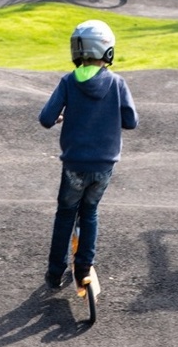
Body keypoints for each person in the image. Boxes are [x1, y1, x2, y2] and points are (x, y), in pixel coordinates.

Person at [39, 19, 139, 288]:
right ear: (107, 51)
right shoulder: (118, 84)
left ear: (77, 51)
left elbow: (46, 119)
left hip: (74, 164)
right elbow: (131, 122)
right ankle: (83, 267)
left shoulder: (69, 82)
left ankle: (55, 272)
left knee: (66, 213)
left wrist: (62, 115)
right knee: (90, 212)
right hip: (104, 165)